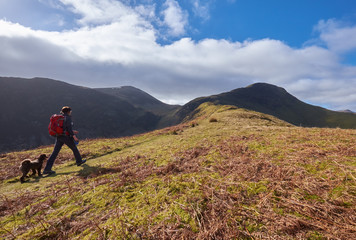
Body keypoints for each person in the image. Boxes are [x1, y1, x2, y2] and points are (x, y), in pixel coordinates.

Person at [43, 106, 86, 175]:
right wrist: (74, 137)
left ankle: (47, 169)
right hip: (65, 137)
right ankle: (79, 161)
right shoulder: (68, 118)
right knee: (74, 148)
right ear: (68, 111)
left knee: (55, 153)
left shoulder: (60, 118)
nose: (70, 112)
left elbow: (64, 128)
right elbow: (68, 128)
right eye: (70, 111)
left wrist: (72, 131)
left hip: (59, 136)